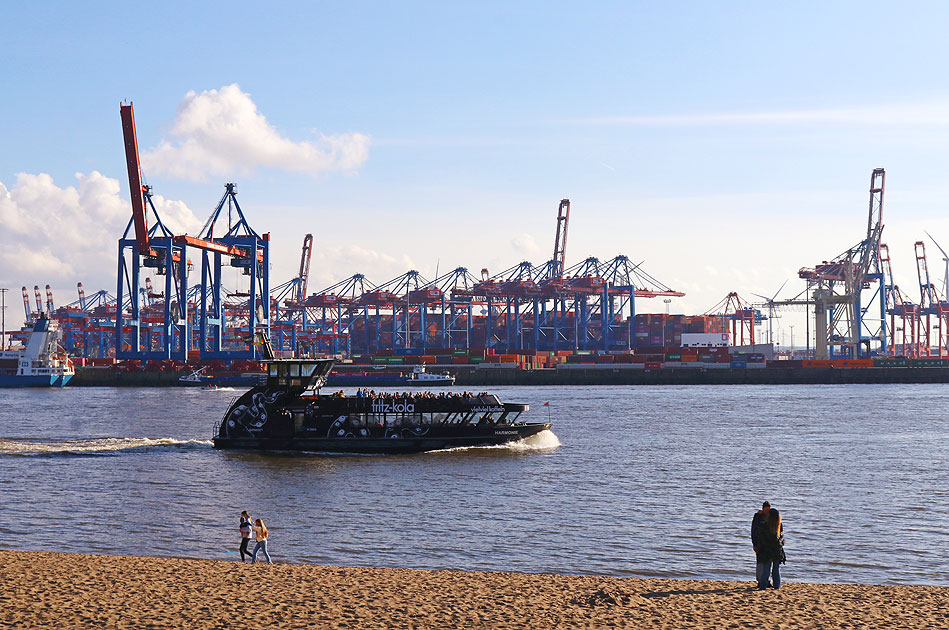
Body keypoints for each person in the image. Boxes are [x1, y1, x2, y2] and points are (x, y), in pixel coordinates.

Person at [752, 502, 785, 589]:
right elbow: (781, 536)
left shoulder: (765, 525)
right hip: (777, 549)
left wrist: (757, 544)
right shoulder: (778, 524)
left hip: (767, 549)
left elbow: (760, 534)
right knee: (776, 569)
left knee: (766, 568)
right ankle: (777, 586)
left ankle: (763, 586)